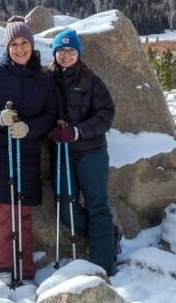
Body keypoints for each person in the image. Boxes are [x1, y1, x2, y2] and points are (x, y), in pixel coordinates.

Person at [0, 16, 57, 283]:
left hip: (26, 153)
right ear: (6, 48)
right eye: (14, 44)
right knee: (4, 212)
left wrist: (29, 128)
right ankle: (2, 270)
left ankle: (24, 269)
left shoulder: (43, 79)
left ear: (32, 45)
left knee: (23, 211)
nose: (20, 49)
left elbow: (51, 114)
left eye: (24, 43)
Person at [48, 27, 118, 275]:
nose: (66, 55)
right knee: (65, 209)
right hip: (61, 154)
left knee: (97, 205)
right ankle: (108, 235)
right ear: (55, 52)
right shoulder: (46, 79)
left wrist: (77, 131)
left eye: (70, 50)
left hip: (91, 152)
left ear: (78, 53)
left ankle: (102, 269)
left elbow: (105, 115)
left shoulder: (90, 80)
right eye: (61, 50)